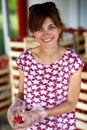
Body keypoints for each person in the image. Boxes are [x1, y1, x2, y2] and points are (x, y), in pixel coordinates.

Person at [7, 1, 84, 130]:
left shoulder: (72, 61)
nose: (46, 34)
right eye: (39, 29)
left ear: (59, 28)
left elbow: (71, 103)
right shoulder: (25, 59)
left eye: (51, 27)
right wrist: (16, 104)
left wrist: (41, 114)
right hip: (31, 126)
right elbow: (21, 92)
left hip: (62, 126)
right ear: (33, 32)